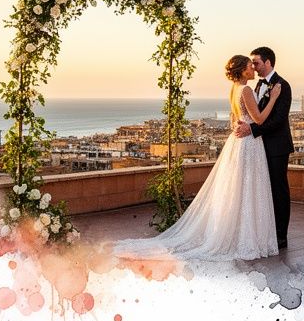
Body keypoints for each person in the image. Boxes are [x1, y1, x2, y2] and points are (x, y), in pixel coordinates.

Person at [113, 55, 281, 261]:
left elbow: (235, 118)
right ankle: (245, 237)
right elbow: (260, 119)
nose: (253, 69)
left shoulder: (234, 89)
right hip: (249, 144)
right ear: (242, 70)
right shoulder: (245, 90)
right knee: (248, 188)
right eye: (249, 66)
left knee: (239, 188)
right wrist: (273, 98)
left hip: (239, 142)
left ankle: (238, 234)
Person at [235, 46, 292, 250]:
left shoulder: (282, 85)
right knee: (261, 192)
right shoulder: (257, 86)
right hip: (258, 148)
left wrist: (251, 130)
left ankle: (280, 236)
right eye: (252, 64)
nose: (254, 67)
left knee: (278, 191)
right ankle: (264, 233)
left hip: (277, 147)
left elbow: (278, 121)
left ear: (268, 63)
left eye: (257, 63)